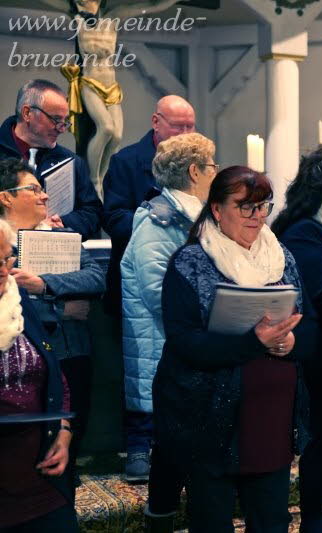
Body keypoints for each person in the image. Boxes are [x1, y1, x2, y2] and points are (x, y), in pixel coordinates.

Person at [153, 165, 315, 532]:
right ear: (216, 209)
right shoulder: (190, 263)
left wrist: (291, 342)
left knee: (272, 520)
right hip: (211, 419)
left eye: (263, 208)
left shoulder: (282, 258)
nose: (257, 217)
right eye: (246, 207)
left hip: (272, 418)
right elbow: (183, 342)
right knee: (212, 521)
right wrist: (251, 342)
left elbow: (314, 326)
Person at [120, 133, 216, 527]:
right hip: (167, 344)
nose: (216, 172)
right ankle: (162, 516)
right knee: (173, 446)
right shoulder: (158, 219)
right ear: (194, 171)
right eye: (211, 165)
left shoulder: (192, 214)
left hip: (188, 342)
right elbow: (157, 290)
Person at [0, 158, 104, 492]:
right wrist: (63, 303)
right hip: (21, 366)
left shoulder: (58, 234)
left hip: (72, 352)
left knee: (70, 440)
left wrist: (43, 285)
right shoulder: (2, 246)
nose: (45, 197)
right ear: (5, 197)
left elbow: (95, 277)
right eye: (33, 189)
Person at [272, 147, 322, 533]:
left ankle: (317, 515)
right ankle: (314, 516)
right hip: (311, 355)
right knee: (321, 438)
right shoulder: (306, 232)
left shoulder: (318, 228)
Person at [40, 0, 184, 192]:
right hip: (90, 83)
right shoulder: (76, 17)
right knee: (106, 128)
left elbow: (150, 5)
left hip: (111, 86)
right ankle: (93, 180)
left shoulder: (112, 18)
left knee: (116, 136)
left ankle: (104, 176)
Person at [0, 218, 77, 532]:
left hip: (40, 473)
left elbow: (53, 372)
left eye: (6, 258)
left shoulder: (17, 301)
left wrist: (63, 429)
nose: (4, 270)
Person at [102, 94, 196, 317]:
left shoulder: (198, 163)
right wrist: (155, 217)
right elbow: (113, 219)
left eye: (190, 126)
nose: (185, 135)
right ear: (156, 122)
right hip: (138, 276)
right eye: (177, 126)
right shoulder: (125, 162)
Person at [0, 79, 102, 240]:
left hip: (57, 253)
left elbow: (93, 214)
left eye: (65, 121)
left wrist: (62, 223)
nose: (61, 129)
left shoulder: (71, 161)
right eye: (55, 120)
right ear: (27, 113)